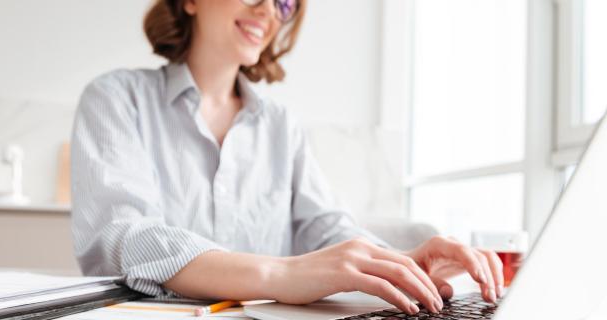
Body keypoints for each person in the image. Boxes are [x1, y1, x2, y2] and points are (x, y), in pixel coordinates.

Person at [70, 0, 504, 315]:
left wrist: (398, 263)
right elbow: (124, 237)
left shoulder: (280, 125)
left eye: (284, 4)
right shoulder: (115, 99)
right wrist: (281, 275)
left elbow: (326, 228)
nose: (267, 11)